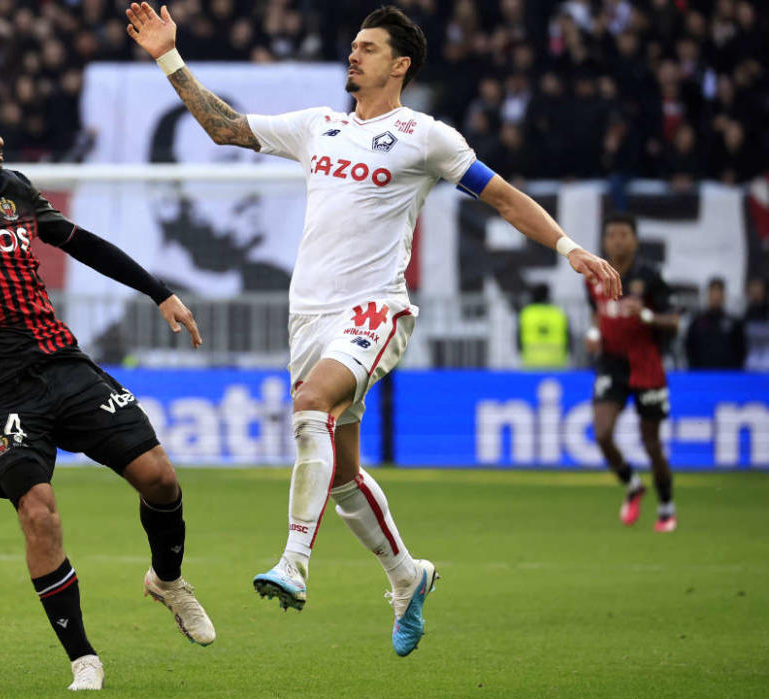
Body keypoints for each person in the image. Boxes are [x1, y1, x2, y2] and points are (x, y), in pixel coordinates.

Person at [126, 3, 622, 656]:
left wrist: (569, 248)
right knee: (341, 475)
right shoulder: (317, 127)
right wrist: (169, 57)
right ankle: (406, 575)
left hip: (374, 308)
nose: (353, 54)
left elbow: (501, 196)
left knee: (310, 407)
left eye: (367, 47)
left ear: (400, 63)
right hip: (309, 317)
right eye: (353, 45)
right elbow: (224, 129)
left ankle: (294, 561)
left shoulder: (426, 136)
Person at [0, 93, 215, 691]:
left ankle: (168, 582)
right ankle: (83, 657)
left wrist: (160, 292)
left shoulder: (14, 191)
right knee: (39, 514)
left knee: (160, 476)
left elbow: (84, 244)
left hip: (61, 361)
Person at [584, 213, 679, 533]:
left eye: (624, 234)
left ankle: (666, 505)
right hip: (611, 362)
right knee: (601, 433)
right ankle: (633, 484)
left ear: (635, 240)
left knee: (651, 442)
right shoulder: (593, 273)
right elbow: (597, 313)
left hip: (646, 363)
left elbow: (674, 321)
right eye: (612, 234)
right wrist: (595, 335)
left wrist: (648, 315)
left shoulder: (650, 276)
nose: (617, 240)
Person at [684, 277, 745, 369]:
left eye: (719, 292)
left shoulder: (734, 323)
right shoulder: (697, 321)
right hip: (701, 374)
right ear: (708, 295)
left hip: (727, 375)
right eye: (713, 292)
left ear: (724, 296)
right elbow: (689, 347)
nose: (716, 297)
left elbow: (741, 349)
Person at [519, 283, 571, 368]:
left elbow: (518, 341)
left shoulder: (526, 313)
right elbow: (569, 338)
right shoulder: (558, 313)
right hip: (557, 362)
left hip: (531, 362)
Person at [743, 277, 769, 371]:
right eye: (753, 290)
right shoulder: (745, 313)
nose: (756, 294)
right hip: (750, 363)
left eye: (759, 290)